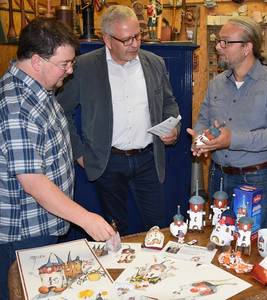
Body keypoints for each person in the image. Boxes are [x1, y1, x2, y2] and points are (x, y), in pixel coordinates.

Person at [0, 17, 115, 299]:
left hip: (44, 223)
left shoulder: (40, 89)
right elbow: (34, 182)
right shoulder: (17, 107)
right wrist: (86, 219)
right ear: (37, 61)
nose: (71, 70)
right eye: (65, 64)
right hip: (24, 232)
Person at [57, 5, 180, 236]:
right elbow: (61, 111)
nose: (134, 44)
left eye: (137, 36)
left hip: (149, 160)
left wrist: (173, 125)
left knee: (157, 228)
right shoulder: (84, 67)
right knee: (115, 230)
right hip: (107, 162)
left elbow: (168, 102)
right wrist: (79, 153)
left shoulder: (154, 63)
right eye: (126, 39)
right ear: (107, 39)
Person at [187, 16, 267, 229]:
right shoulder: (216, 83)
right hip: (217, 174)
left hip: (254, 178)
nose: (219, 47)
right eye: (219, 41)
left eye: (226, 42)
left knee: (248, 242)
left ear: (247, 47)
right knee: (218, 237)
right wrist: (200, 139)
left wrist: (232, 139)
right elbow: (203, 120)